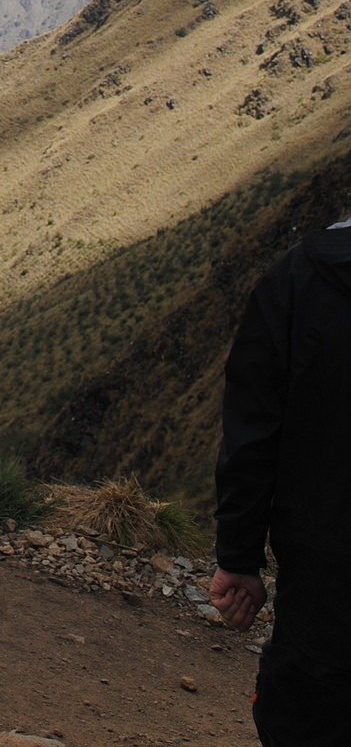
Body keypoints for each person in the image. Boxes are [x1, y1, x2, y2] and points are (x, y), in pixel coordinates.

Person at [211, 216, 351, 745]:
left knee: (310, 718)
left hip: (326, 571)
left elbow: (252, 430)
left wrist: (239, 557)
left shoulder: (300, 276)